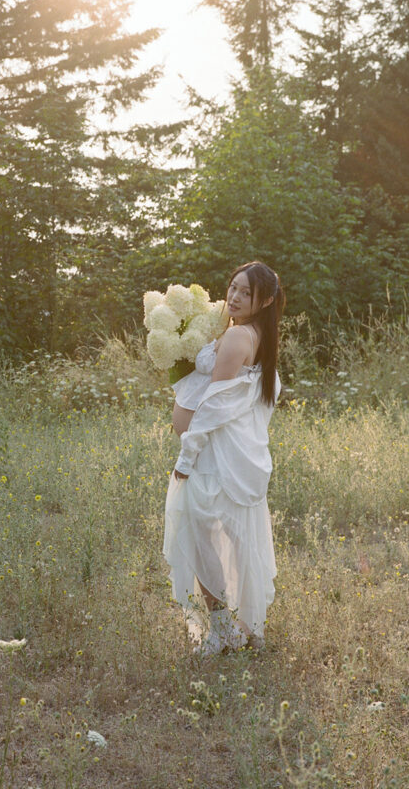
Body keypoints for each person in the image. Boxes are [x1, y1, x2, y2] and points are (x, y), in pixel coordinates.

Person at [163, 261, 285, 657]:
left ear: (264, 300)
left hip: (215, 452)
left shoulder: (237, 339)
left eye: (245, 293)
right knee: (233, 534)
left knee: (197, 529)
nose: (233, 297)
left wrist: (186, 455)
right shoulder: (257, 334)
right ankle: (246, 625)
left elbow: (214, 406)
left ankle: (222, 628)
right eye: (232, 288)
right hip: (229, 450)